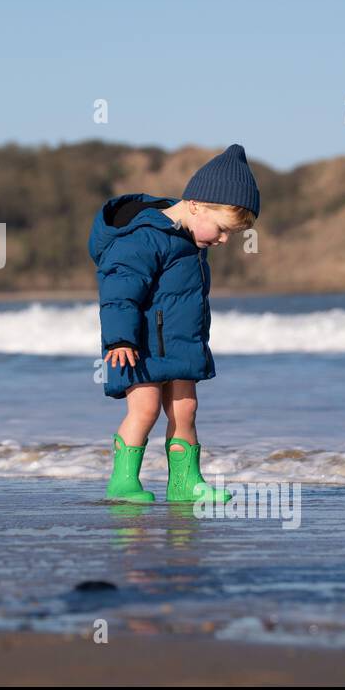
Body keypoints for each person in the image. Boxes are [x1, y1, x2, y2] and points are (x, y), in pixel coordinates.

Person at [88, 144, 260, 503]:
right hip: (140, 346)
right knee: (146, 407)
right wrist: (120, 339)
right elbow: (119, 291)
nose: (224, 239)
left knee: (186, 408)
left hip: (181, 343)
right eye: (222, 229)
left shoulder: (191, 241)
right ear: (197, 205)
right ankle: (123, 481)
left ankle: (185, 483)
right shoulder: (145, 237)